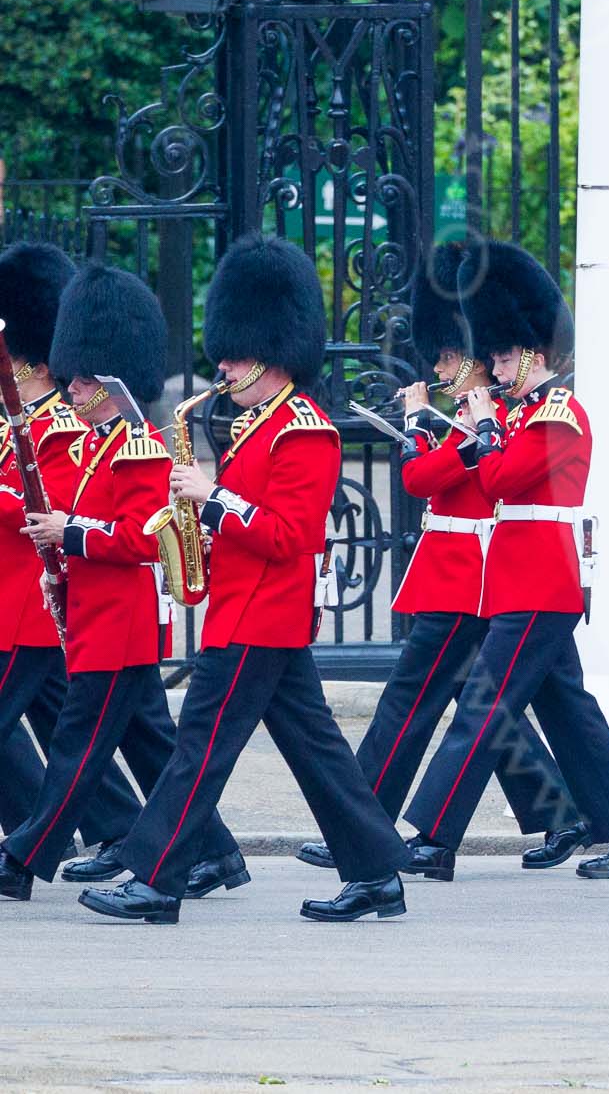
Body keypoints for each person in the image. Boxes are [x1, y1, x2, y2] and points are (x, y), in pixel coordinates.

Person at [79, 237, 409, 924]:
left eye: (232, 353)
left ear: (271, 349)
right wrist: (199, 528)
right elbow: (250, 527)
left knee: (198, 746)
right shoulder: (259, 426)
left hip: (260, 617)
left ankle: (156, 876)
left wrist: (212, 499)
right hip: (251, 613)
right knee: (318, 750)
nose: (222, 364)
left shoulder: (306, 431)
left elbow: (291, 535)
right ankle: (377, 869)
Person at [296, 241, 586, 879]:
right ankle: (560, 814)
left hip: (479, 577)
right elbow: (423, 478)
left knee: (417, 700)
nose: (443, 366)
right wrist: (431, 432)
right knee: (491, 706)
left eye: (453, 356)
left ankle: (367, 826)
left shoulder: (500, 418)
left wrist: (449, 439)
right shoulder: (468, 416)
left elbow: (462, 481)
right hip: (465, 573)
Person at [404, 242, 609, 880]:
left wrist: (486, 427)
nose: (491, 368)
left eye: (501, 356)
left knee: (482, 708)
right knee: (570, 715)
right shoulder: (522, 414)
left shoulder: (559, 414)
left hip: (538, 584)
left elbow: (499, 482)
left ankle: (435, 838)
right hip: (517, 584)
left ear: (535, 356)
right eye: (491, 356)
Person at [0, 265, 245, 905]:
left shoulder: (138, 447)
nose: (72, 388)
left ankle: (22, 857)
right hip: (96, 617)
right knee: (153, 743)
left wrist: (69, 533)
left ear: (111, 381)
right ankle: (217, 851)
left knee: (76, 753)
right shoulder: (97, 445)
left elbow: (140, 539)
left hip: (118, 618)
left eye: (83, 379)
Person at [0, 242, 145, 876]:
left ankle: (32, 847)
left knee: (91, 736)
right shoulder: (23, 415)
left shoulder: (62, 424)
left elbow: (51, 508)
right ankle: (110, 829)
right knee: (92, 734)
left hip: (34, 603)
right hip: (35, 603)